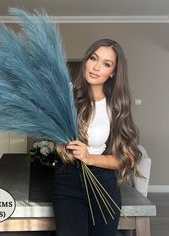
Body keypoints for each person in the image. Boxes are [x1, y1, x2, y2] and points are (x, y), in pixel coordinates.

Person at [53, 38, 142, 236]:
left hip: (103, 183)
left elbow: (126, 158)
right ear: (86, 60)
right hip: (68, 180)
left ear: (113, 73)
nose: (96, 67)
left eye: (106, 64)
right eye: (93, 58)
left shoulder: (116, 108)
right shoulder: (66, 96)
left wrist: (88, 157)